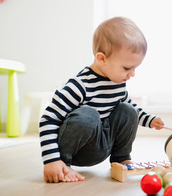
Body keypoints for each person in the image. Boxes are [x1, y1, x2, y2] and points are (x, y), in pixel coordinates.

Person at [39, 17, 165, 183]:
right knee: (88, 114)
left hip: (103, 144)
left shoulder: (118, 84)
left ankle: (121, 159)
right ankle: (63, 163)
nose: (132, 74)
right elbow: (48, 120)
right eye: (127, 68)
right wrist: (52, 160)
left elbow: (132, 109)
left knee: (128, 110)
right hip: (78, 149)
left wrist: (150, 120)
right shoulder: (79, 85)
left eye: (135, 68)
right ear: (101, 59)